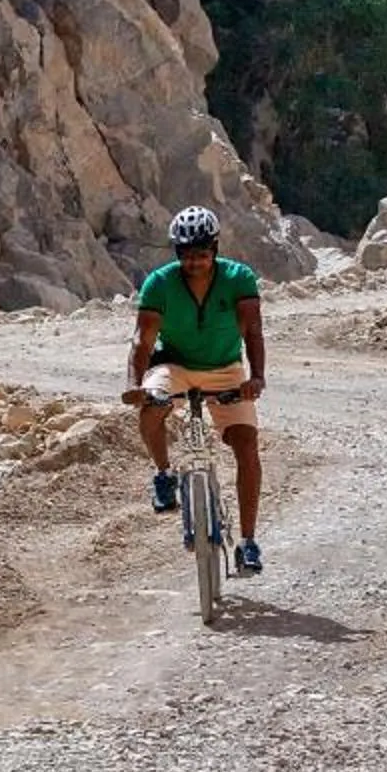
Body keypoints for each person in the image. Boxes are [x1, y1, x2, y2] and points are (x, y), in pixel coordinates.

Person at [124, 206, 267, 577]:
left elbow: (253, 331)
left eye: (202, 255)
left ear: (215, 249)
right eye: (187, 256)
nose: (195, 263)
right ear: (177, 254)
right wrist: (134, 385)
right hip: (175, 366)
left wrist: (256, 378)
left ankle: (248, 543)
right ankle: (163, 474)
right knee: (152, 405)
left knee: (247, 448)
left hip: (226, 369)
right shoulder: (159, 282)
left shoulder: (239, 278)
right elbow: (142, 341)